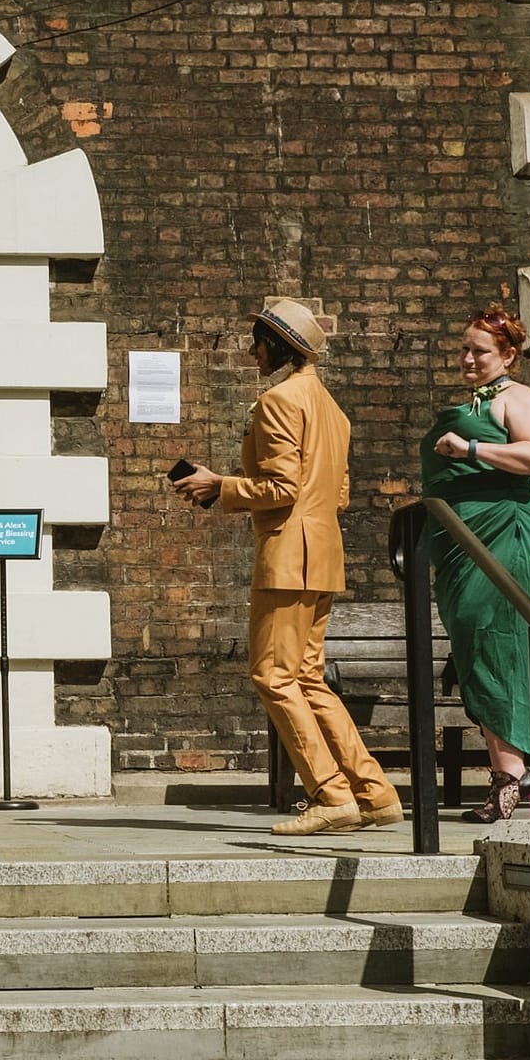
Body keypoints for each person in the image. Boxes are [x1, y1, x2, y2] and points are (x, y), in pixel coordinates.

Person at [174, 298, 401, 836]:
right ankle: (374, 792)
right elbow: (338, 495)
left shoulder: (277, 401)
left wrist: (218, 485)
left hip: (287, 557)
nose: (252, 350)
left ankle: (329, 793)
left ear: (279, 346)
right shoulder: (333, 409)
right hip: (323, 553)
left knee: (272, 676)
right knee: (307, 678)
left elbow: (281, 487)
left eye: (258, 341)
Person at [424, 302, 530, 822]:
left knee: (496, 643)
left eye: (478, 351)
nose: (467, 358)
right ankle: (509, 773)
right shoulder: (479, 399)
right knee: (477, 645)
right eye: (463, 348)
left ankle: (511, 777)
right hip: (467, 543)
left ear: (507, 354)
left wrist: (471, 448)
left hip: (511, 538)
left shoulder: (518, 397)